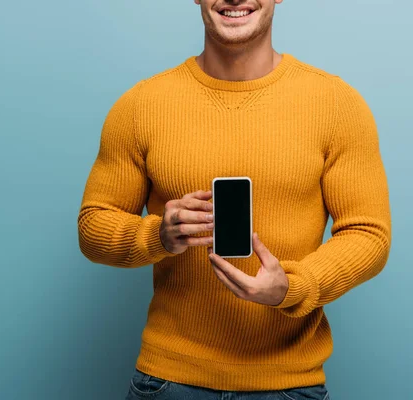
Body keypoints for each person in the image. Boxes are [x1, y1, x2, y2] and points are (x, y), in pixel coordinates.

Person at [77, 0, 392, 398]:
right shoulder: (141, 105)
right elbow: (93, 227)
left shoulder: (336, 104)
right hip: (168, 379)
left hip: (288, 383)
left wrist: (293, 287)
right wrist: (158, 234)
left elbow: (368, 234)